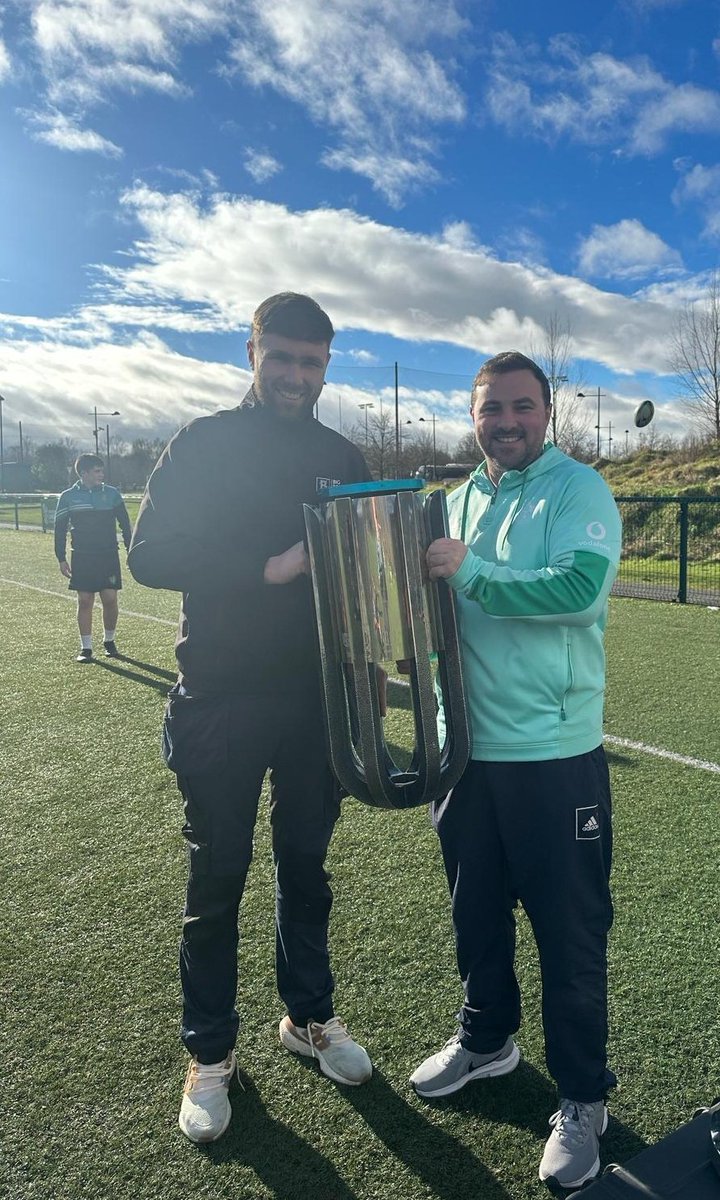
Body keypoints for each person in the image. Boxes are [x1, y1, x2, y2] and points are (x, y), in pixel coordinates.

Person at [128, 292, 375, 1146]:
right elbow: (149, 555)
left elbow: (362, 571)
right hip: (221, 694)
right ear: (252, 352)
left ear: (326, 365)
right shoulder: (202, 441)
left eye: (313, 363)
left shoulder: (343, 453)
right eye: (283, 359)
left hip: (316, 700)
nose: (296, 377)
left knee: (305, 865)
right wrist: (263, 567)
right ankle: (210, 1055)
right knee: (217, 878)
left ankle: (307, 1018)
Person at [410, 352, 622, 1191]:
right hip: (466, 755)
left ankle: (582, 1100)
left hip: (554, 758)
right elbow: (437, 614)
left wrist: (474, 573)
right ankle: (488, 1041)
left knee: (570, 937)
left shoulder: (578, 490)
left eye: (521, 406)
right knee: (475, 916)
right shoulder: (458, 498)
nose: (506, 421)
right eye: (491, 408)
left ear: (548, 412)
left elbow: (579, 589)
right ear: (474, 418)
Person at [54, 453, 132, 662]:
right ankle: (86, 648)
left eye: (101, 470)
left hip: (107, 555)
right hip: (82, 556)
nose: (101, 474)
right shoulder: (68, 497)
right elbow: (59, 529)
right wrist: (61, 558)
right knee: (85, 600)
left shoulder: (113, 494)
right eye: (97, 471)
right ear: (84, 473)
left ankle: (109, 641)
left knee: (110, 598)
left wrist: (130, 548)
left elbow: (125, 524)